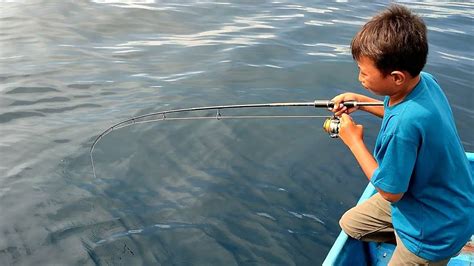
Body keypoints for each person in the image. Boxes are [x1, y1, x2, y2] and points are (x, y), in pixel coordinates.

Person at [331, 4, 474, 265]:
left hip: (431, 234)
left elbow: (389, 192)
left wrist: (353, 141)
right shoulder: (424, 82)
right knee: (351, 224)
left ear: (396, 77)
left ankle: (419, 254)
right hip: (448, 204)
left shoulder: (402, 127)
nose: (359, 77)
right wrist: (361, 102)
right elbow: (408, 119)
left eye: (364, 72)